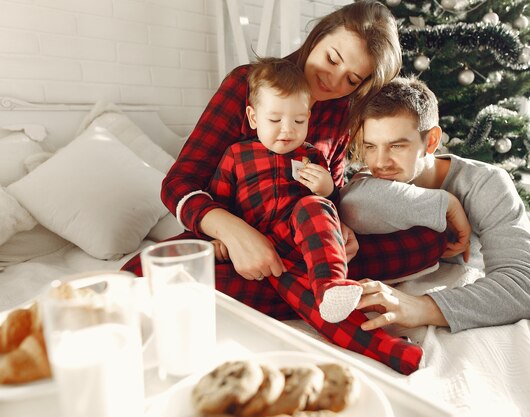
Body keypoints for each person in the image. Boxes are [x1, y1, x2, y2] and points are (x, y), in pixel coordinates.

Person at [122, 0, 458, 375]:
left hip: (308, 243)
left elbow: (331, 192)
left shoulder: (340, 113)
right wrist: (236, 235)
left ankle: (325, 286)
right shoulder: (248, 86)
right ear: (317, 36)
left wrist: (339, 228)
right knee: (147, 273)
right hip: (238, 245)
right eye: (332, 59)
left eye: (352, 79)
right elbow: (179, 184)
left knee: (428, 241)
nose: (334, 81)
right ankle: (323, 294)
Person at [339, 76, 530, 333]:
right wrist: (444, 204)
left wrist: (422, 308)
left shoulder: (484, 183)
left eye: (396, 146)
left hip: (465, 305)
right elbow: (350, 205)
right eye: (370, 146)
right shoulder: (369, 181)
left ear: (432, 141)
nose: (380, 163)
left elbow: (525, 286)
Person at [208, 57, 363, 323]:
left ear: (308, 119)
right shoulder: (236, 155)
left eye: (299, 121)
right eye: (275, 119)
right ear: (253, 117)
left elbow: (328, 213)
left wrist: (328, 190)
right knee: (203, 283)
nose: (287, 130)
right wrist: (223, 240)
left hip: (304, 252)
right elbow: (218, 205)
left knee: (313, 206)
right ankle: (402, 354)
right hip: (258, 255)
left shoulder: (312, 156)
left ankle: (331, 285)